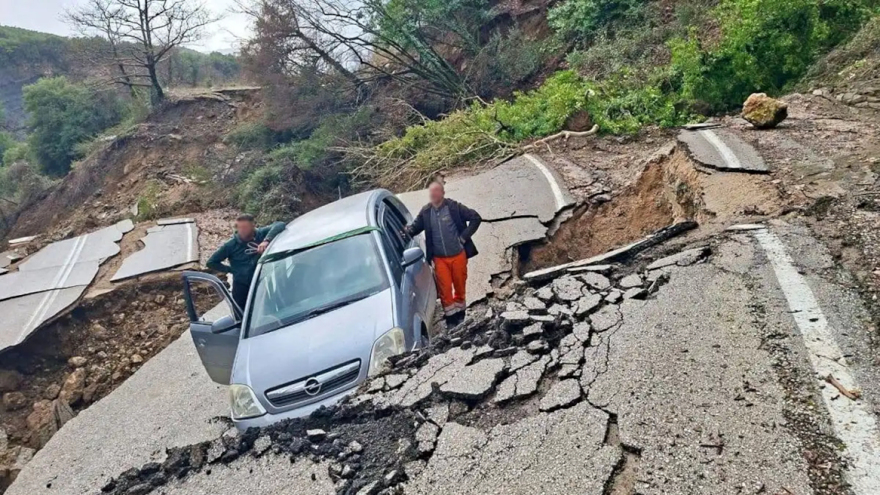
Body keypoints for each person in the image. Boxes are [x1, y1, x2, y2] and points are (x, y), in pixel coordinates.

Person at [404, 180, 482, 328]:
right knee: (445, 291)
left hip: (458, 255)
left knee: (459, 287)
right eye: (431, 192)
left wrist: (463, 238)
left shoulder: (454, 207)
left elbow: (475, 218)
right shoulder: (426, 212)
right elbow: (414, 229)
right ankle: (451, 321)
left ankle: (461, 316)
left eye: (436, 191)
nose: (433, 194)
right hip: (439, 259)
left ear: (443, 193)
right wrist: (404, 232)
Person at [207, 214, 286, 310]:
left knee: (266, 308)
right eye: (240, 228)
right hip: (241, 285)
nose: (242, 230)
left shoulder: (261, 234)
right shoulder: (230, 245)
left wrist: (266, 241)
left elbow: (280, 224)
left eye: (245, 227)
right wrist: (233, 270)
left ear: (253, 226)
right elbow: (211, 262)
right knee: (241, 312)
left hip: (261, 281)